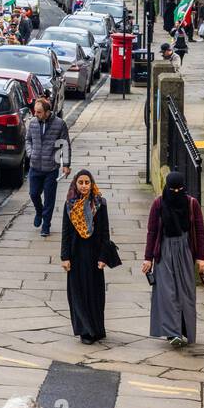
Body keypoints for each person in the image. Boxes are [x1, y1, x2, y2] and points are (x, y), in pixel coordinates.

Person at [143, 171, 204, 349]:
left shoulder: (192, 204)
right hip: (164, 251)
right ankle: (172, 333)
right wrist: (148, 258)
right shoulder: (158, 203)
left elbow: (200, 231)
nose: (176, 192)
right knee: (167, 292)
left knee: (186, 293)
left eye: (180, 188)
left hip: (185, 250)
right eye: (173, 189)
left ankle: (184, 330)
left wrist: (201, 257)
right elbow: (152, 232)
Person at [60, 170, 120, 345]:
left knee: (95, 294)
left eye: (87, 182)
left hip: (94, 255)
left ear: (91, 184)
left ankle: (96, 329)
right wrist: (65, 257)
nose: (84, 186)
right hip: (76, 254)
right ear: (75, 184)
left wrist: (103, 257)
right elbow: (65, 232)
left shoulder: (100, 204)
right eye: (81, 182)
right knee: (78, 294)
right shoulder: (69, 205)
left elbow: (105, 232)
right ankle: (85, 331)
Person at [25, 98, 71, 237]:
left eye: (39, 112)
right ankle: (39, 212)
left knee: (49, 199)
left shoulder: (59, 124)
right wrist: (30, 153)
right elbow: (28, 140)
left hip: (51, 168)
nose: (35, 114)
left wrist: (66, 165)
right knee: (33, 194)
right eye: (35, 111)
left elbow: (65, 144)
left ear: (47, 112)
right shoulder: (33, 123)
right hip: (35, 167)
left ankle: (46, 225)